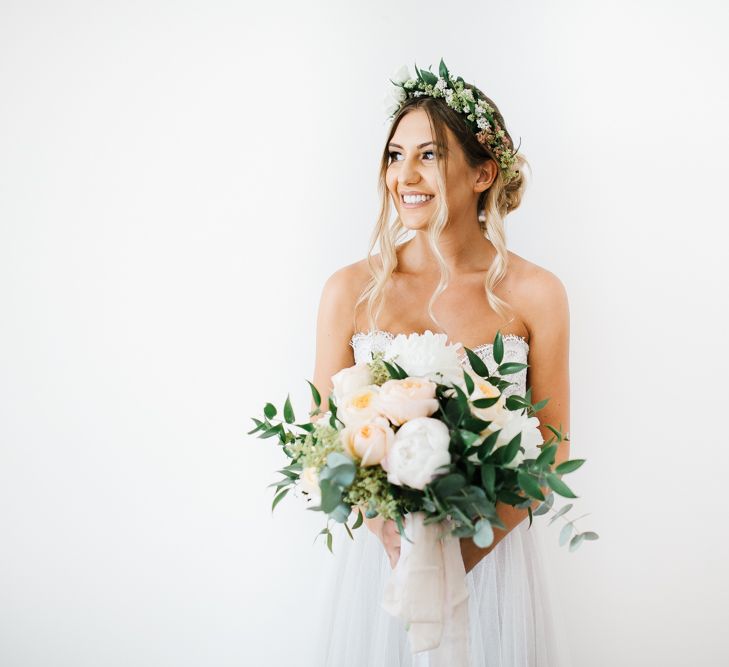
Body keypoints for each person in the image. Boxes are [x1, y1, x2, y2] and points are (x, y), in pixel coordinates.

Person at [309, 60, 573, 666]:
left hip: (493, 557)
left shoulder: (536, 294)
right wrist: (400, 544)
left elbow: (553, 443)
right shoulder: (348, 291)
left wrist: (461, 554)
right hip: (381, 566)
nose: (405, 175)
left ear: (483, 172)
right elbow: (326, 440)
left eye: (429, 155)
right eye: (395, 155)